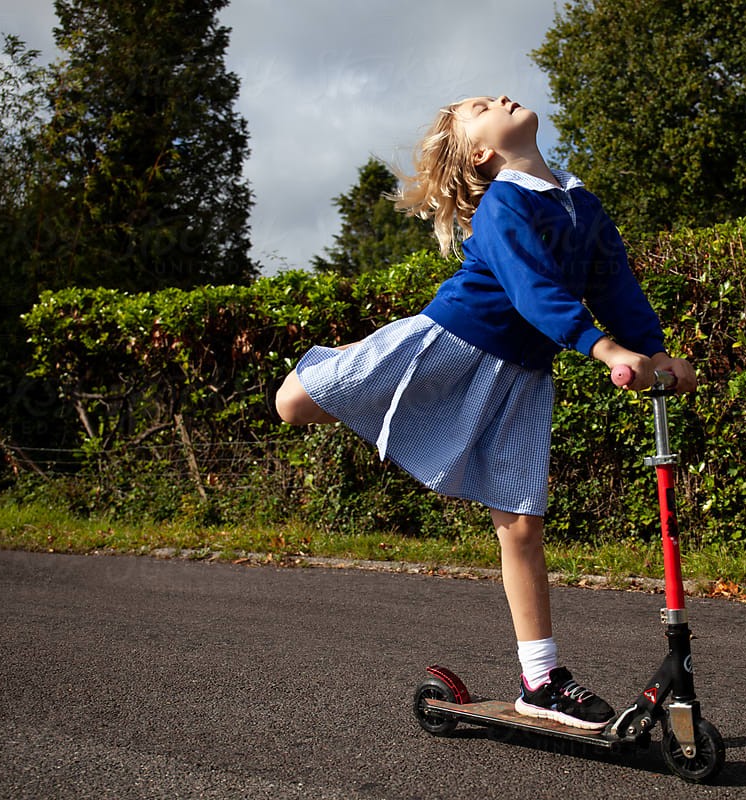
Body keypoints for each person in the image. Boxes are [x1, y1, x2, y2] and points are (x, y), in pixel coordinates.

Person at [275, 94, 696, 730]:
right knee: (293, 404)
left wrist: (656, 351)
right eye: (481, 104)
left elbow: (616, 284)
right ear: (481, 151)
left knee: (522, 527)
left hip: (523, 375)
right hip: (454, 340)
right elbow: (534, 288)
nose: (501, 97)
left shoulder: (581, 203)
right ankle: (355, 354)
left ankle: (541, 679)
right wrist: (602, 346)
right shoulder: (506, 199)